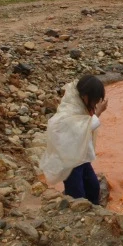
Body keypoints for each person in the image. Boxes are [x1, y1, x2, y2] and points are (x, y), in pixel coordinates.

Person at [39, 75, 108, 205]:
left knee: (94, 188)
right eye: (94, 100)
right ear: (85, 96)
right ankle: (78, 217)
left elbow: (84, 127)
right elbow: (81, 128)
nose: (95, 104)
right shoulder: (70, 109)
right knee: (77, 195)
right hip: (70, 162)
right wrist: (98, 113)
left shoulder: (81, 104)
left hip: (81, 158)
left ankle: (96, 214)